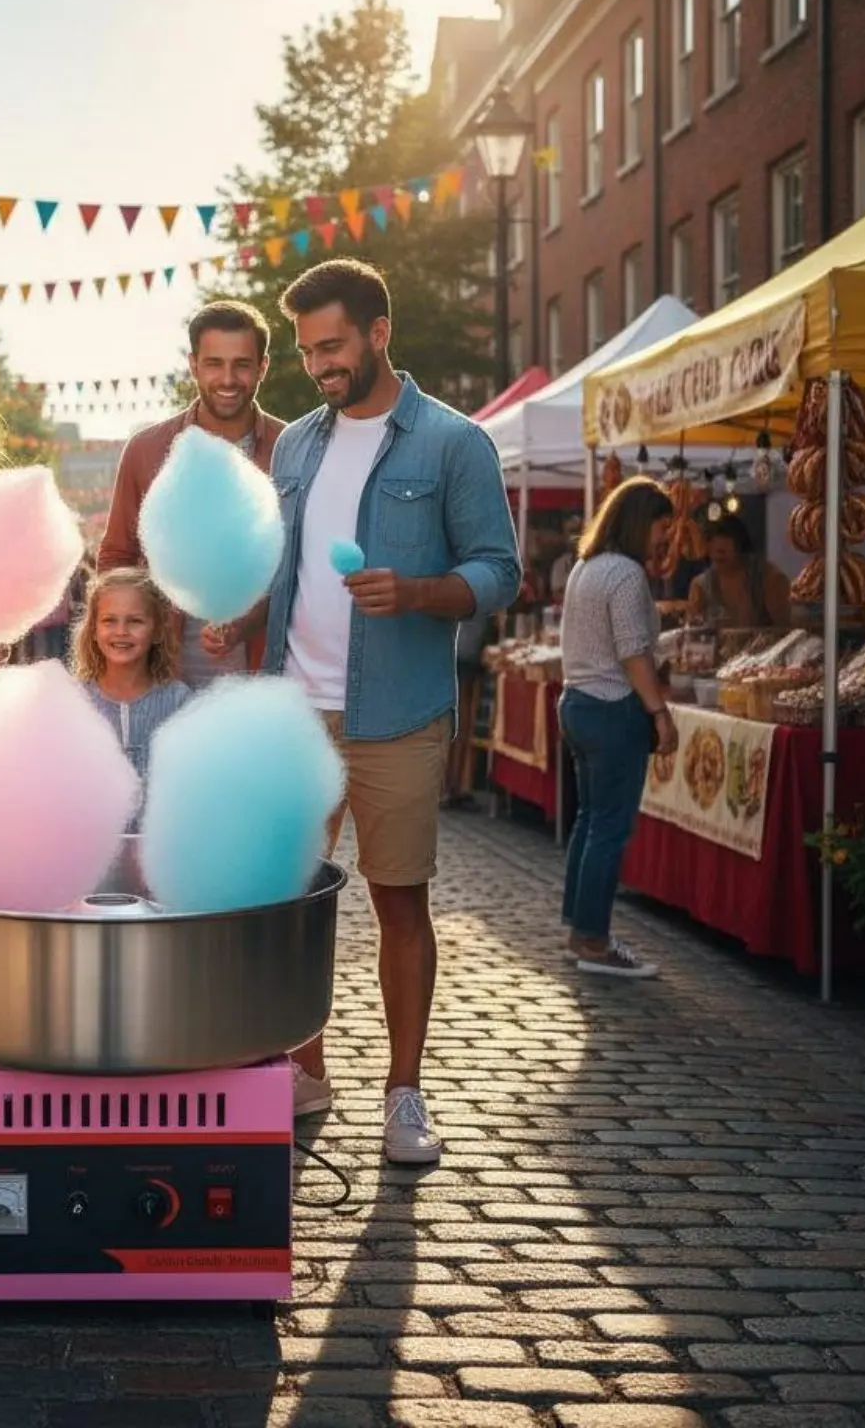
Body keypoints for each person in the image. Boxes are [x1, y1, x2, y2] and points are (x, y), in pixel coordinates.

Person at [204, 259, 520, 1164]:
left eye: (332, 346)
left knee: (398, 901)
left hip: (398, 713)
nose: (319, 366)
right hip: (293, 709)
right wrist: (247, 615)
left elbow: (500, 570)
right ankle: (304, 1070)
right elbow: (284, 561)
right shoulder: (297, 443)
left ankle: (405, 1092)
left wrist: (419, 591)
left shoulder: (454, 443)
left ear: (379, 333)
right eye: (306, 351)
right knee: (290, 902)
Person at [99, 301, 287, 685]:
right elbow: (117, 557)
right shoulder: (147, 450)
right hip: (165, 678)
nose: (228, 379)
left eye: (242, 364)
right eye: (214, 363)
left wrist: (246, 621)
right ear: (194, 365)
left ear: (263, 367)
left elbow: (302, 568)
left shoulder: (292, 448)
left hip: (263, 677)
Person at [559, 477, 679, 979]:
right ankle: (593, 940)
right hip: (612, 709)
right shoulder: (626, 574)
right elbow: (632, 651)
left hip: (579, 703)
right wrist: (660, 713)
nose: (665, 538)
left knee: (591, 822)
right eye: (661, 526)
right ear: (638, 521)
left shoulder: (587, 568)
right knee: (608, 826)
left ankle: (581, 929)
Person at [73, 567, 191, 786]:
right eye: (109, 621)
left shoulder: (178, 701)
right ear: (93, 631)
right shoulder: (76, 700)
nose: (121, 631)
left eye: (135, 621)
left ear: (157, 632)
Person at [687, 513, 790, 630]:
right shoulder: (701, 586)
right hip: (717, 647)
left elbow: (785, 630)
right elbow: (692, 632)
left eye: (724, 551)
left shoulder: (768, 578)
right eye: (715, 552)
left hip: (764, 646)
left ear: (740, 547)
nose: (719, 555)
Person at [442, 605, 491, 811]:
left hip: (462, 653)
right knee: (459, 723)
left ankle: (455, 785)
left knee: (460, 723)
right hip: (464, 654)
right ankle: (451, 786)